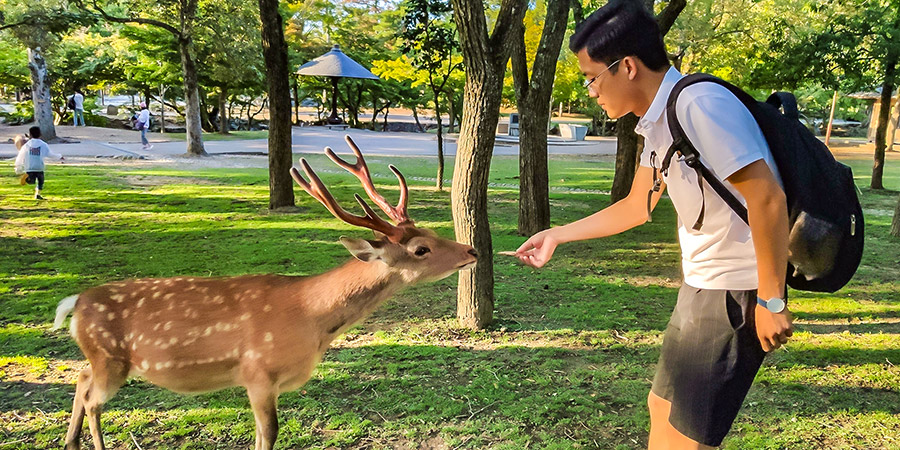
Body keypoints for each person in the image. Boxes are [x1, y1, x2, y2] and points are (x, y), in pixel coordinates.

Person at [513, 1, 793, 448]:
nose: (589, 90)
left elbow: (767, 197)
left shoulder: (700, 105)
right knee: (660, 408)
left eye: (591, 77)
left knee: (688, 437)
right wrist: (556, 235)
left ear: (626, 66)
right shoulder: (659, 122)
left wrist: (772, 300)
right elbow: (636, 206)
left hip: (733, 292)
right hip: (699, 285)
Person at [16, 126, 64, 200]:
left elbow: (20, 156)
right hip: (39, 166)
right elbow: (50, 154)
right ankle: (37, 194)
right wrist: (59, 156)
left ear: (30, 135)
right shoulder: (43, 144)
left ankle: (27, 178)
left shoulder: (27, 145)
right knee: (40, 181)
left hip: (29, 167)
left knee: (31, 181)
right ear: (40, 134)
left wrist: (18, 167)